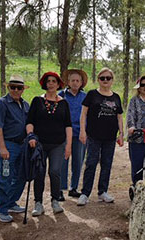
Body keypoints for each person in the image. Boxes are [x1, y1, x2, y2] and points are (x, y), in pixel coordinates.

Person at [26, 71, 72, 216]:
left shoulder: (64, 103)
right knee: (39, 172)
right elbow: (30, 122)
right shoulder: (37, 101)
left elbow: (68, 126)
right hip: (39, 144)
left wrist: (68, 146)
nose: (51, 84)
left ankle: (55, 200)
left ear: (59, 84)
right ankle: (38, 203)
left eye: (54, 81)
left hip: (58, 144)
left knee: (54, 171)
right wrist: (31, 135)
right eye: (48, 81)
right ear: (44, 84)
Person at [77, 67, 124, 206]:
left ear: (112, 80)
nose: (105, 80)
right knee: (91, 163)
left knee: (106, 164)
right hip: (93, 136)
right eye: (102, 78)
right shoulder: (92, 94)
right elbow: (83, 114)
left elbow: (119, 117)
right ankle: (85, 193)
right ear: (98, 80)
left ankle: (102, 192)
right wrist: (82, 131)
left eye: (108, 78)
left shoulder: (116, 97)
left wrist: (121, 134)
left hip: (110, 137)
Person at [0, 75, 30, 223]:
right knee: (5, 177)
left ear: (23, 90)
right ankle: (1, 209)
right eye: (12, 87)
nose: (15, 90)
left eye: (19, 88)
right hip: (8, 145)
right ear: (8, 88)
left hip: (22, 145)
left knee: (21, 176)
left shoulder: (25, 105)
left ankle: (11, 203)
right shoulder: (1, 104)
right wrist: (2, 147)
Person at [59, 69, 88, 200]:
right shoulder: (61, 95)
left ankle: (73, 188)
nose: (75, 83)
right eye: (73, 80)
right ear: (68, 82)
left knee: (78, 161)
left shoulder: (86, 97)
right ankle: (59, 189)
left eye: (78, 81)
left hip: (80, 133)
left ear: (81, 83)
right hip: (63, 133)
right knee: (62, 161)